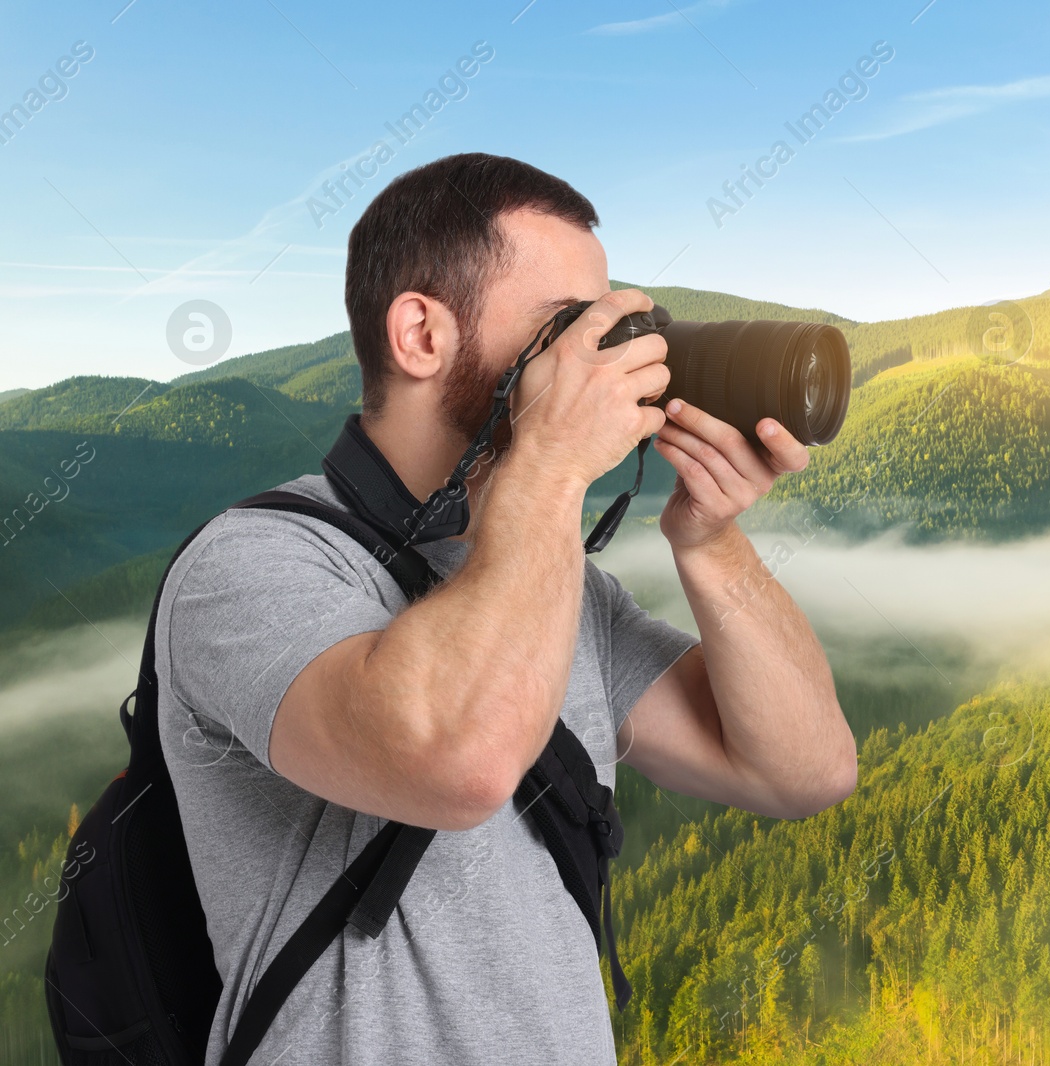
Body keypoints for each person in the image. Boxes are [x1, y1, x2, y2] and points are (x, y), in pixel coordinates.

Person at [153, 152, 857, 1065]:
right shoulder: (251, 564)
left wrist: (711, 542)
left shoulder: (562, 587)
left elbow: (802, 773)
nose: (597, 358)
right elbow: (459, 763)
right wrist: (555, 468)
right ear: (419, 335)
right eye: (566, 326)